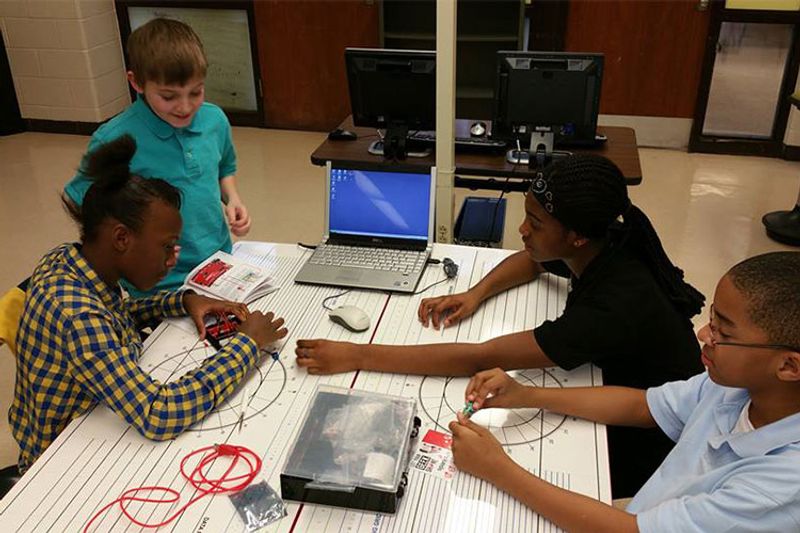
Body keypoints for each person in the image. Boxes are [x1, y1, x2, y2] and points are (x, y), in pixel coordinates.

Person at [295, 154, 705, 496]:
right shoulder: (606, 239)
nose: (522, 230)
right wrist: (476, 293)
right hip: (636, 392)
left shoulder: (613, 305)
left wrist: (356, 354)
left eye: (536, 223)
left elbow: (482, 356)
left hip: (650, 443)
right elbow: (534, 259)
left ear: (576, 237)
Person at [450, 252, 800, 532]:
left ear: (789, 366)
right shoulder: (737, 387)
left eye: (724, 331)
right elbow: (643, 406)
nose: (703, 333)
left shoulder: (780, 489)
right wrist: (526, 395)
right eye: (713, 319)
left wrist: (498, 469)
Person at [9, 135, 287, 474]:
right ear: (122, 238)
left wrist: (184, 299)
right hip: (60, 461)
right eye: (167, 246)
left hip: (92, 419)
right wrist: (247, 343)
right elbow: (159, 413)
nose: (173, 259)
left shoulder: (70, 260)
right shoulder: (79, 318)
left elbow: (114, 316)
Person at [64, 17, 250, 297]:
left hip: (218, 265)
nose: (185, 107)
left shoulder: (214, 120)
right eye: (168, 96)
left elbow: (224, 166)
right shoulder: (114, 138)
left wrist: (233, 199)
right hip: (158, 284)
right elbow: (82, 203)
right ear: (136, 82)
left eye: (196, 92)